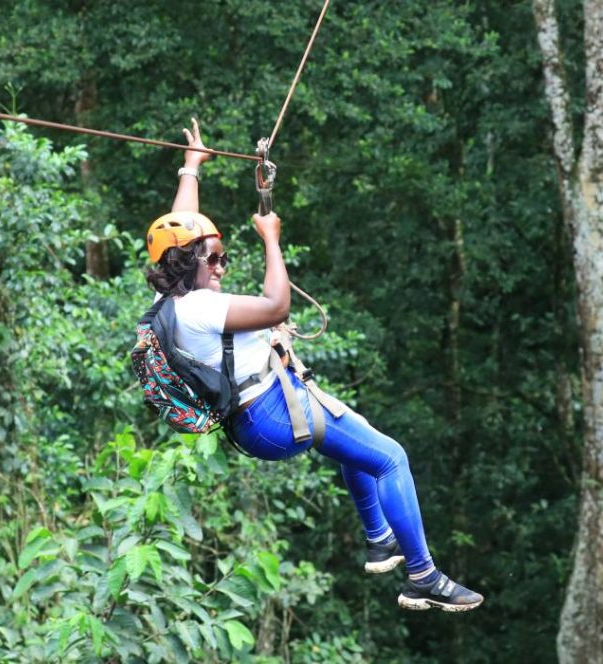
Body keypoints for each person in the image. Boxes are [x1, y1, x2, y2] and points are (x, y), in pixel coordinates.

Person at [143, 118, 483, 612]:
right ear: (186, 263)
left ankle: (379, 540)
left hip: (258, 416)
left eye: (221, 255)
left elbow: (181, 227)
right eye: (213, 258)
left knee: (358, 438)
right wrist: (271, 237)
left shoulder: (169, 299)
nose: (220, 265)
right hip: (273, 412)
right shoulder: (202, 307)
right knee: (390, 458)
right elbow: (277, 305)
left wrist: (190, 167)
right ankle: (423, 577)